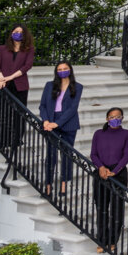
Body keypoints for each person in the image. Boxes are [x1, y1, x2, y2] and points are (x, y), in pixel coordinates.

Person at [90, 107, 128, 254]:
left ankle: (113, 240)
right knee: (101, 208)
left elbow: (127, 156)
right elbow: (93, 154)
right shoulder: (98, 134)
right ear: (107, 118)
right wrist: (101, 168)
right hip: (100, 174)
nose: (115, 119)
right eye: (112, 116)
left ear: (122, 118)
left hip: (118, 175)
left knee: (116, 209)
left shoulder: (127, 134)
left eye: (118, 116)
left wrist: (114, 172)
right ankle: (102, 240)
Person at [38, 60, 82, 196]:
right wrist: (45, 120)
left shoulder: (78, 87)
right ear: (56, 71)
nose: (62, 71)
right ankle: (48, 185)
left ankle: (63, 185)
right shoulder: (49, 85)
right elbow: (43, 105)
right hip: (51, 122)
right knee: (50, 156)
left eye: (65, 68)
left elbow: (72, 109)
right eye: (60, 69)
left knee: (66, 155)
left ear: (70, 70)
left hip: (68, 124)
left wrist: (57, 123)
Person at [0, 24, 35, 155]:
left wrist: (9, 77)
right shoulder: (2, 49)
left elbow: (27, 66)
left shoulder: (29, 49)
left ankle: (16, 140)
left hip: (20, 85)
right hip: (3, 85)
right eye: (15, 31)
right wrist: (1, 78)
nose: (18, 34)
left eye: (21, 32)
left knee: (19, 114)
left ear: (25, 35)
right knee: (3, 113)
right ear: (11, 33)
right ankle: (3, 139)